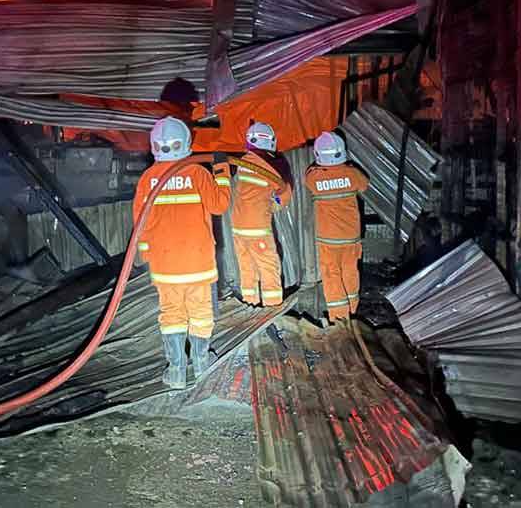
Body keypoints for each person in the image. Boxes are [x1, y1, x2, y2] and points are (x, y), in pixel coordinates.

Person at [133, 117, 231, 388]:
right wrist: (221, 171)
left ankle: (176, 371)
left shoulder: (147, 179)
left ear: (155, 145)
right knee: (200, 312)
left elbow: (140, 222)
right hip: (198, 264)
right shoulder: (197, 173)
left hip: (165, 267)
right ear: (185, 142)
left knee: (171, 313)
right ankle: (201, 365)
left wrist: (146, 253)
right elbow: (220, 205)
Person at [304, 131, 369, 323]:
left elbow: (307, 178)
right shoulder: (352, 174)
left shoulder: (313, 177)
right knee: (350, 270)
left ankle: (339, 318)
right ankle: (352, 309)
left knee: (331, 274)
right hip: (351, 238)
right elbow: (365, 185)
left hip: (328, 240)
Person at [231, 122, 292, 306]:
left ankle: (250, 303)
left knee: (247, 267)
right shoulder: (275, 165)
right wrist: (273, 206)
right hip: (257, 227)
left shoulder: (243, 161)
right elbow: (285, 194)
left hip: (238, 226)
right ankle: (272, 307)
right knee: (268, 266)